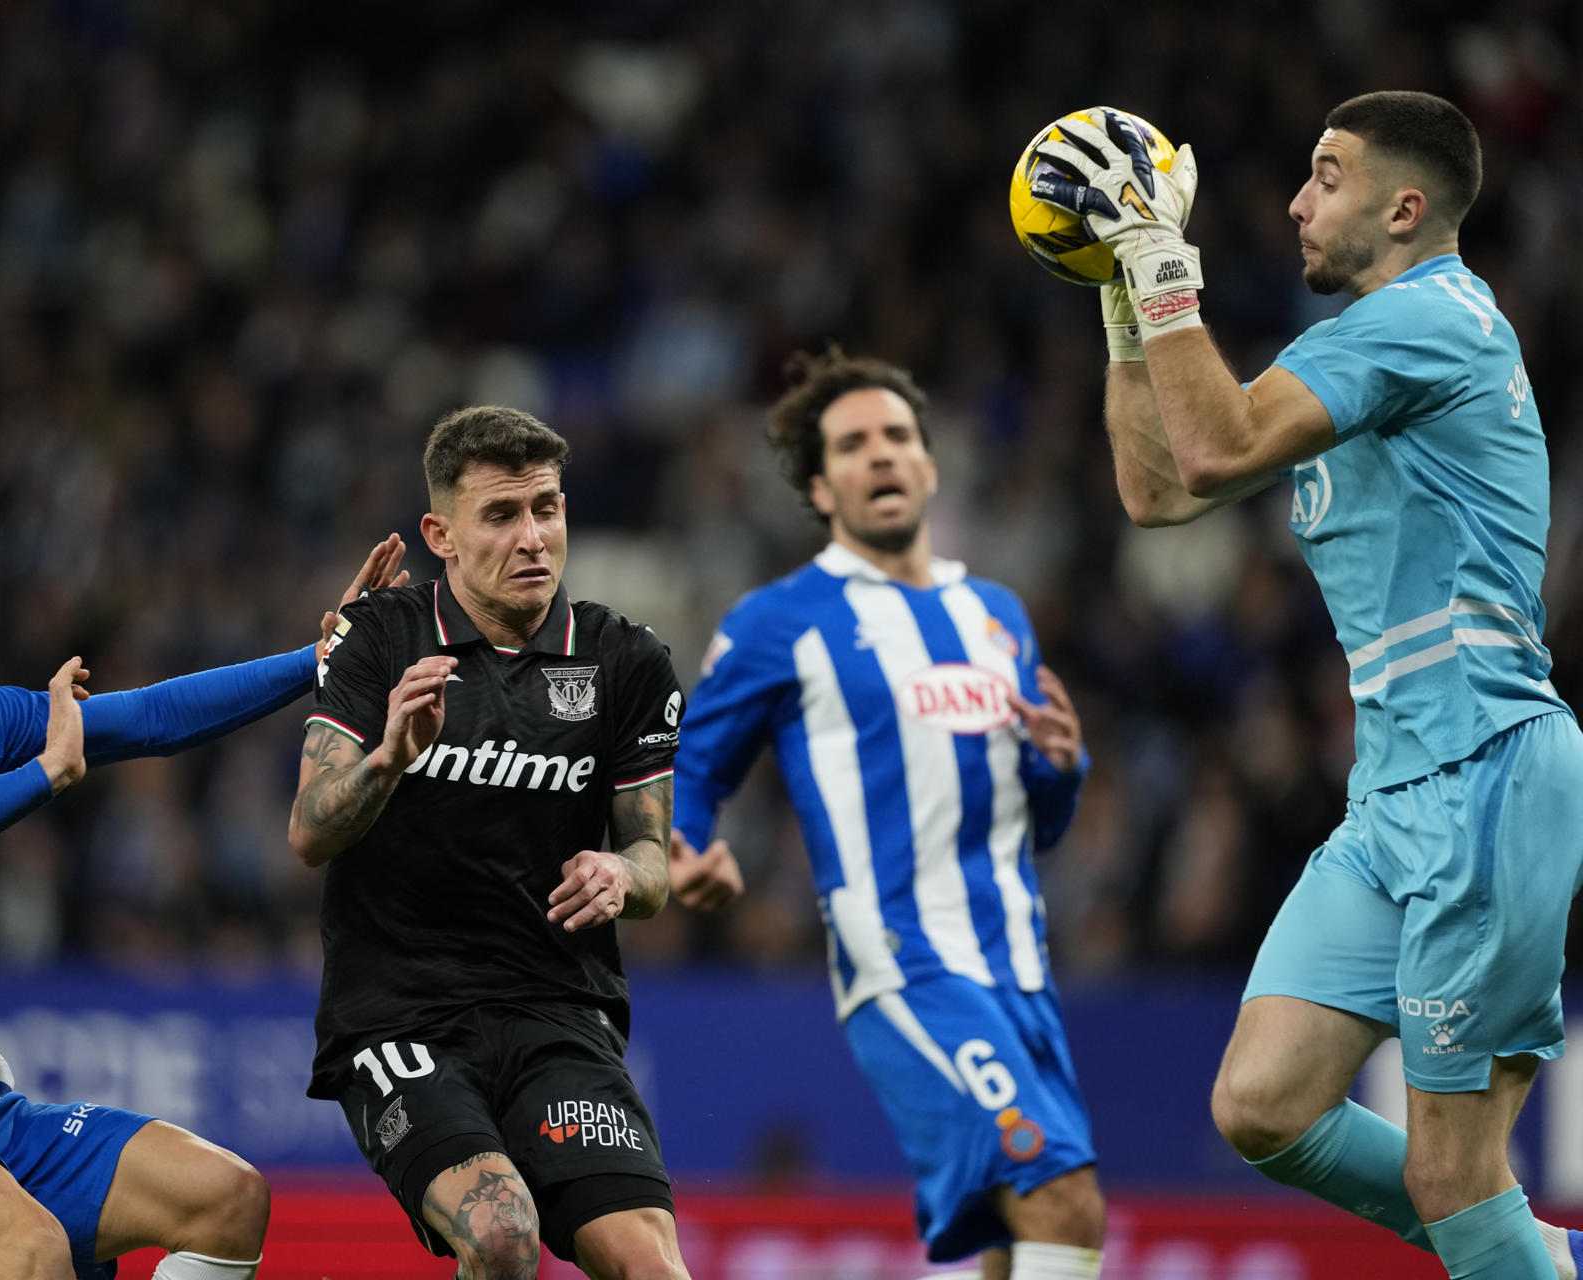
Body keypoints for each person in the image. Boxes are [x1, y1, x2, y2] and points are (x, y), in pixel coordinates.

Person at [1035, 90, 1583, 1279]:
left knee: (1454, 1166)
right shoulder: (1361, 347)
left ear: (1404, 205)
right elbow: (1163, 489)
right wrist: (1127, 301)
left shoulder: (1432, 320)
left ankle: (1508, 1245)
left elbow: (1216, 446)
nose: (1293, 201)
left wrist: (1159, 260)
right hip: (1393, 795)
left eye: (1325, 176)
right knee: (1263, 1102)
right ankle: (1522, 1250)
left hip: (1486, 769)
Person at [0, 490, 408, 1280]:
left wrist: (320, 662)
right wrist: (41, 777)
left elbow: (152, 716)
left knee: (226, 1197)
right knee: (30, 1251)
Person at [670, 348, 1105, 1280]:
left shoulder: (997, 616)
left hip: (1019, 966)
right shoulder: (778, 621)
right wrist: (688, 847)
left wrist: (1061, 769)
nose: (880, 457)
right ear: (821, 487)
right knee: (1063, 1198)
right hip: (904, 960)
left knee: (1010, 1236)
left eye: (897, 438)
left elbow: (1044, 822)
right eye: (854, 445)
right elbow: (689, 770)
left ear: (930, 464)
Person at [287, 406, 691, 1280]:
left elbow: (657, 863)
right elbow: (310, 832)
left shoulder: (626, 663)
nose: (534, 536)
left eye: (547, 508)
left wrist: (622, 870)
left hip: (558, 1012)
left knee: (653, 1268)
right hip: (402, 1017)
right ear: (441, 534)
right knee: (503, 1235)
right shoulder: (382, 637)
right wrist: (390, 757)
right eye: (502, 516)